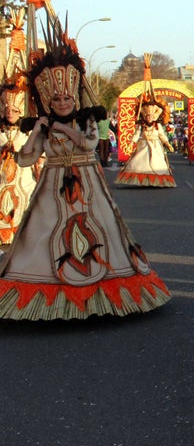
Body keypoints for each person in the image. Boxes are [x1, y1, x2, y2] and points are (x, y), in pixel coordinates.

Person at [0, 36, 170, 320]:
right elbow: (26, 158)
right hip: (53, 186)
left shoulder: (87, 119)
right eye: (56, 99)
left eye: (67, 97)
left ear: (75, 96)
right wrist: (38, 130)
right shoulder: (44, 126)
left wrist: (62, 129)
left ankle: (104, 287)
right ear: (48, 100)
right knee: (43, 233)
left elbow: (89, 144)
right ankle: (45, 288)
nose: (63, 102)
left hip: (88, 183)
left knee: (102, 232)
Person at [0, 79, 39, 247]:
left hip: (23, 175)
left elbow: (35, 154)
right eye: (7, 109)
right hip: (3, 175)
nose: (10, 113)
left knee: (23, 200)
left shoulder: (28, 131)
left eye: (14, 110)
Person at [115, 96, 177, 187]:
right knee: (139, 163)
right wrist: (131, 143)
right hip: (143, 145)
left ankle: (156, 181)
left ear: (154, 117)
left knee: (158, 164)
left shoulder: (157, 125)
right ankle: (143, 181)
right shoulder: (141, 125)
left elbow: (162, 135)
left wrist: (168, 144)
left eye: (151, 116)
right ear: (145, 116)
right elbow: (136, 135)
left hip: (156, 146)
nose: (149, 118)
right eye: (148, 116)